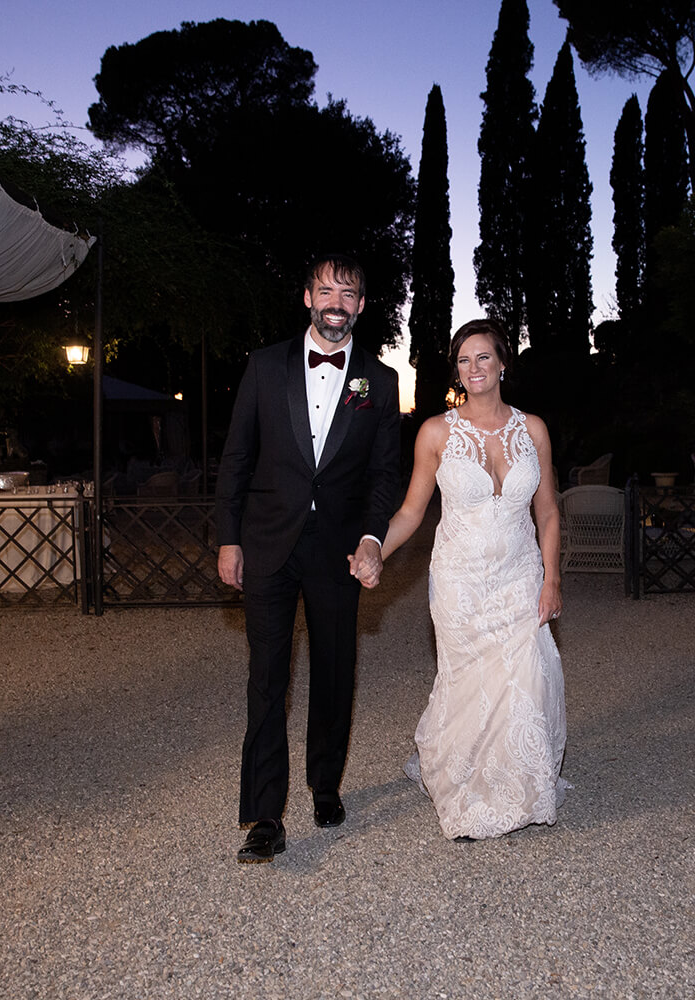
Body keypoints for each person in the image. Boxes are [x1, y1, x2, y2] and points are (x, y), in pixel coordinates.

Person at [215, 254, 402, 864]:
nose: (336, 302)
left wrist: (373, 537)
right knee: (267, 678)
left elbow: (382, 476)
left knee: (333, 672)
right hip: (268, 544)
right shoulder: (265, 367)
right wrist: (229, 537)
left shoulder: (380, 381)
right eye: (326, 290)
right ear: (306, 298)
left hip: (338, 552)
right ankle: (265, 814)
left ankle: (325, 784)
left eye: (348, 294)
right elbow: (237, 458)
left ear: (361, 306)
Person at [353, 318, 567, 840]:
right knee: (470, 683)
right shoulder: (435, 432)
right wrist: (375, 545)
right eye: (464, 360)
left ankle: (521, 786)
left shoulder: (532, 429)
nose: (473, 368)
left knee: (527, 677)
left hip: (520, 574)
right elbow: (410, 511)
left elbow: (549, 512)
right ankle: (468, 788)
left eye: (483, 357)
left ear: (502, 363)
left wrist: (552, 578)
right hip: (460, 580)